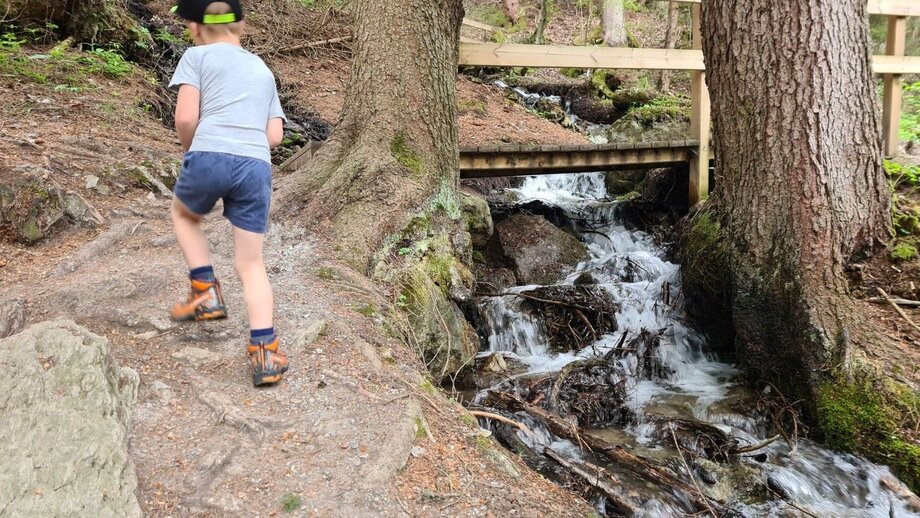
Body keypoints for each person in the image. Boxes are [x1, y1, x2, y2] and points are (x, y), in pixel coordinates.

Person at [167, 0, 289, 386]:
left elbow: (186, 117)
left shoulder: (196, 56)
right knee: (251, 264)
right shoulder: (262, 69)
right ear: (240, 25)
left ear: (194, 27)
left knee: (185, 215)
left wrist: (193, 148)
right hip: (255, 165)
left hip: (209, 153)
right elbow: (275, 136)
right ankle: (265, 355)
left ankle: (204, 291)